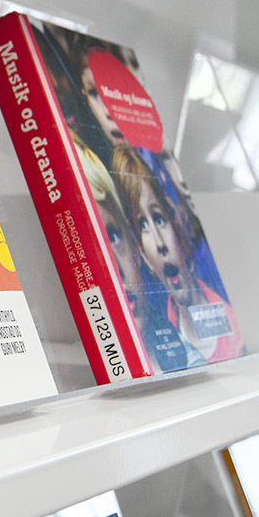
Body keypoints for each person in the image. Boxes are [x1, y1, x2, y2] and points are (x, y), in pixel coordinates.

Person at [110, 145, 244, 364]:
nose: (159, 244)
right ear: (142, 252)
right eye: (143, 225)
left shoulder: (235, 331)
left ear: (177, 224)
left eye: (159, 219)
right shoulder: (163, 338)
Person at [78, 145, 199, 373]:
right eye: (89, 246)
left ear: (135, 245)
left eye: (113, 236)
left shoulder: (189, 358)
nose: (114, 267)